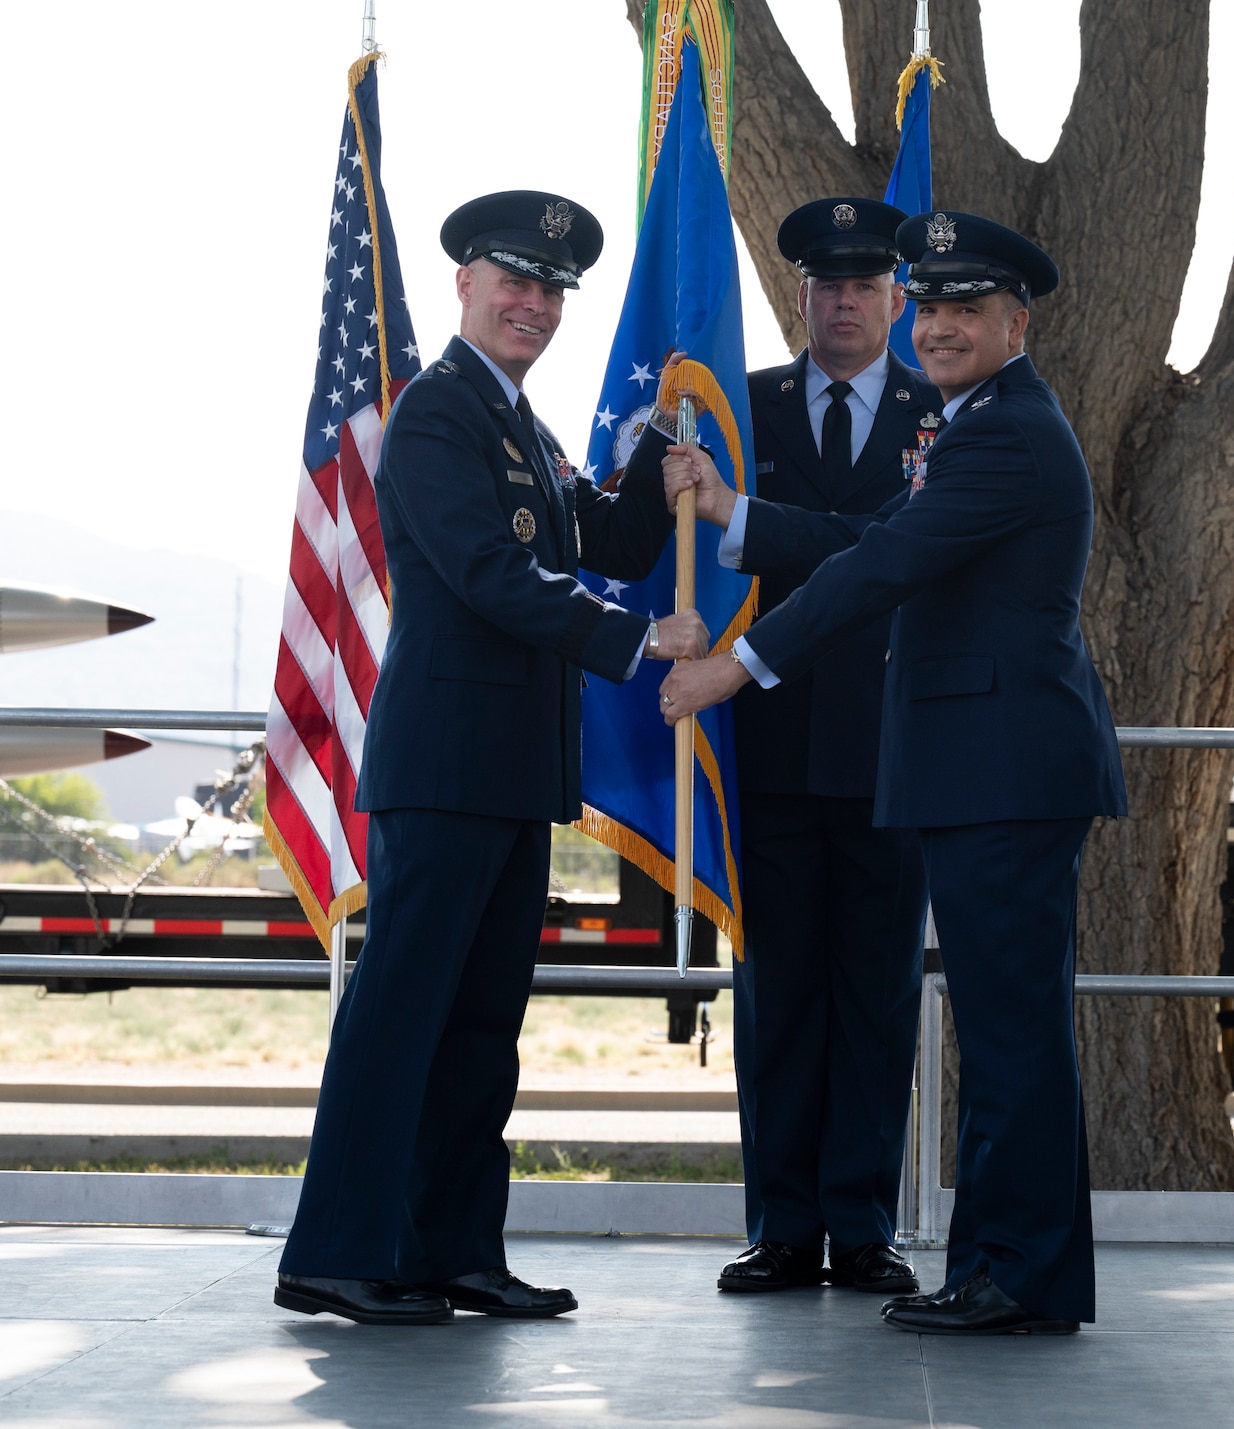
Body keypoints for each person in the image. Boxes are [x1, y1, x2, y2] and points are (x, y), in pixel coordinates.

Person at [662, 211, 1126, 1335]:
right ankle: (1020, 1269)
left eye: (967, 310)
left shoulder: (1002, 432)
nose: (940, 327)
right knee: (1013, 1033)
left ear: (1017, 324)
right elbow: (870, 540)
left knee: (1009, 1039)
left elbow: (885, 563)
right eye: (932, 308)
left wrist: (738, 664)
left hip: (1000, 770)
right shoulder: (981, 425)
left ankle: (1010, 1272)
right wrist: (729, 514)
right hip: (986, 770)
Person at [275, 190, 708, 1326]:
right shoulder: (436, 414)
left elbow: (594, 543)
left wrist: (655, 473)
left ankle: (451, 1251)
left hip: (513, 772)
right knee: (401, 1019)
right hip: (446, 766)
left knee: (477, 1034)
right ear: (464, 283)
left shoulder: (523, 424)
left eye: (551, 289)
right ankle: (338, 1251)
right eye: (512, 281)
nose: (533, 303)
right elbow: (484, 573)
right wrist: (633, 639)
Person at [696, 198, 943, 1297]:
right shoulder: (736, 411)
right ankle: (782, 1227)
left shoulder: (941, 413)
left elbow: (898, 549)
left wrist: (742, 514)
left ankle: (863, 1224)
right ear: (796, 294)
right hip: (768, 746)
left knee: (878, 998)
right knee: (777, 997)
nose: (842, 301)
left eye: (863, 284)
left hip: (895, 748)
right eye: (823, 284)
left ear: (896, 296)